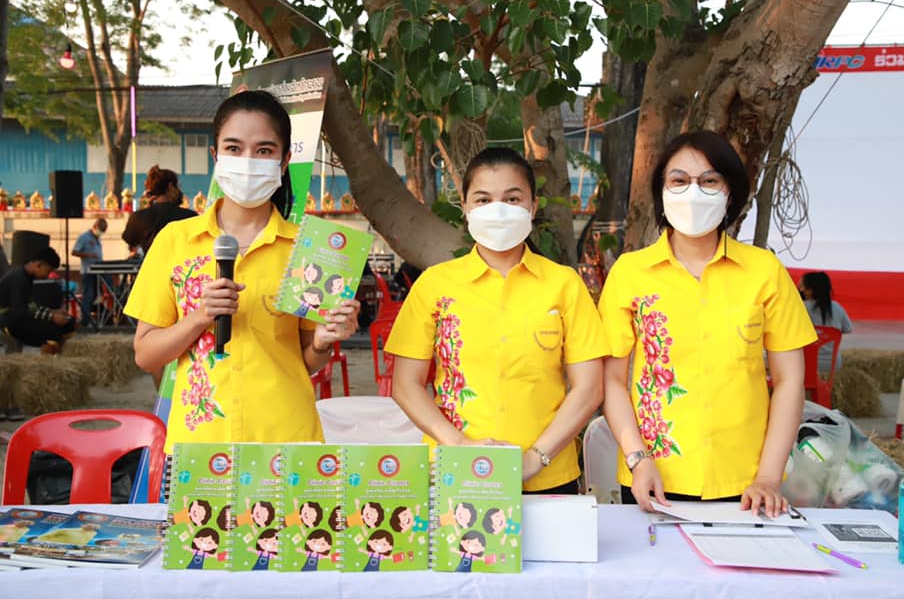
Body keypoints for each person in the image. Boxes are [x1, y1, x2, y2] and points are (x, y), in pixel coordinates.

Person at [123, 90, 360, 453]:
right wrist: (200, 317)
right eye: (234, 148)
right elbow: (146, 355)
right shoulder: (175, 240)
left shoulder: (309, 248)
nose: (248, 161)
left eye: (264, 150)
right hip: (200, 446)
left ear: (284, 161)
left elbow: (306, 361)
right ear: (216, 156)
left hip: (286, 440)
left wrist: (323, 342)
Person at [598, 130, 816, 517]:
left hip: (746, 484)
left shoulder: (765, 272)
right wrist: (637, 460)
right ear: (661, 192)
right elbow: (612, 380)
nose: (693, 192)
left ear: (729, 193)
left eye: (709, 181)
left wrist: (768, 477)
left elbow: (789, 380)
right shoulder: (629, 273)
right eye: (679, 180)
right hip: (653, 477)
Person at [387, 147, 609, 494]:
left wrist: (536, 458)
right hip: (456, 470)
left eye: (512, 198)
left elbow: (589, 387)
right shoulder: (434, 285)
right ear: (465, 208)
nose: (498, 209)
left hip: (548, 476)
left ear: (533, 207)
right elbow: (405, 384)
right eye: (483, 200)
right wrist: (458, 444)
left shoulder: (564, 284)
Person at [0, 246, 75, 353]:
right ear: (39, 265)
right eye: (48, 271)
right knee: (54, 332)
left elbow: (29, 306)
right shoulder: (19, 279)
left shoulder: (26, 277)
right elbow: (19, 310)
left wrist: (51, 311)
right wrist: (51, 316)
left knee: (68, 324)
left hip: (15, 318)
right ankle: (48, 361)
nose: (48, 276)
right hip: (8, 322)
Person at [121, 165, 196, 255]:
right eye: (178, 186)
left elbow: (129, 239)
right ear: (171, 187)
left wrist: (146, 211)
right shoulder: (189, 217)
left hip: (151, 263)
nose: (180, 191)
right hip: (180, 263)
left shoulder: (138, 217)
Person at [799, 271, 853, 373]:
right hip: (833, 364)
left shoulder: (800, 308)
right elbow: (848, 329)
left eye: (801, 286)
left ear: (809, 291)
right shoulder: (837, 307)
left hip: (805, 364)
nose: (799, 289)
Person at [72, 218, 107, 327]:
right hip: (88, 271)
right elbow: (74, 252)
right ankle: (85, 320)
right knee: (88, 295)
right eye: (101, 230)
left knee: (95, 295)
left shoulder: (97, 239)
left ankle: (92, 316)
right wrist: (88, 255)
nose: (101, 233)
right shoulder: (84, 237)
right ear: (95, 227)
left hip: (97, 271)